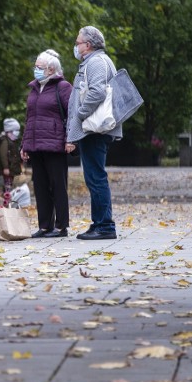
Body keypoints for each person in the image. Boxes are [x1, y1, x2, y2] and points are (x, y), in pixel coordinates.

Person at [66, 26, 120, 240]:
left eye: (78, 42)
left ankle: (105, 226)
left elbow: (97, 91)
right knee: (93, 177)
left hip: (95, 129)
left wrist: (80, 114)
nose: (76, 46)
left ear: (88, 45)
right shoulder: (93, 61)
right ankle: (98, 223)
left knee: (96, 178)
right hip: (93, 129)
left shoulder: (97, 62)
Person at [20, 49, 73, 238]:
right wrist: (24, 145)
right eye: (36, 66)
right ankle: (44, 226)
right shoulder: (34, 88)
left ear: (51, 69)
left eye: (39, 67)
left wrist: (70, 140)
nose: (35, 69)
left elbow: (72, 115)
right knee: (40, 185)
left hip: (55, 144)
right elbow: (29, 119)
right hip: (35, 145)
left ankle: (61, 227)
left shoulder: (63, 87)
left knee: (58, 185)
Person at [0, 118, 22, 204]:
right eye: (16, 130)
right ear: (9, 131)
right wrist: (6, 167)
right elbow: (3, 155)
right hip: (8, 169)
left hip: (11, 169)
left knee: (9, 185)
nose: (17, 132)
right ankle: (6, 202)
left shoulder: (11, 141)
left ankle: (7, 202)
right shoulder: (5, 141)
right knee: (7, 186)